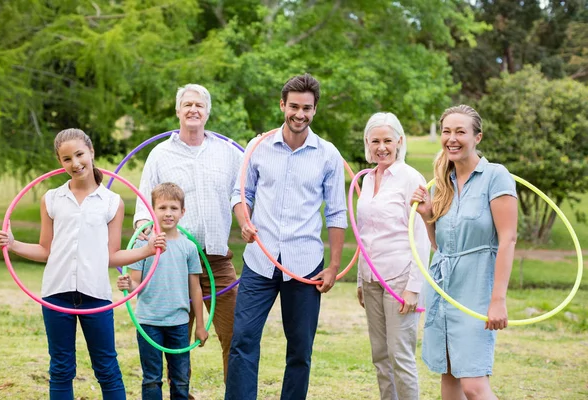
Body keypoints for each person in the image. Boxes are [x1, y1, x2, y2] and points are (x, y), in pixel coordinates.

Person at [0, 128, 166, 400]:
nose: (75, 163)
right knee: (61, 369)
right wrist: (12, 244)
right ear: (59, 162)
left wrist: (147, 250)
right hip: (56, 292)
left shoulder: (112, 202)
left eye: (79, 154)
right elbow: (45, 249)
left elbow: (111, 256)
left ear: (91, 152)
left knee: (107, 368)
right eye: (66, 159)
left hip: (95, 294)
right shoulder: (51, 199)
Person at [225, 73, 347, 400]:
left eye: (307, 108)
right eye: (293, 106)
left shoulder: (328, 155)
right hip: (259, 263)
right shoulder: (258, 147)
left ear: (315, 110)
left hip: (305, 266)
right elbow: (240, 193)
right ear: (282, 105)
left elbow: (337, 213)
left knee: (300, 351)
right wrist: (244, 220)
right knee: (243, 341)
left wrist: (334, 265)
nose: (299, 114)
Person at [133, 84, 242, 391]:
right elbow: (144, 202)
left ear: (207, 112)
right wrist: (145, 229)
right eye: (188, 104)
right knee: (175, 339)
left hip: (219, 260)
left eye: (199, 105)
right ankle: (181, 395)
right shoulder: (160, 154)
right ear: (178, 111)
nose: (194, 109)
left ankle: (234, 395)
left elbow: (245, 196)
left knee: (234, 336)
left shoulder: (228, 153)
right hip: (174, 261)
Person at [411, 105, 518, 399]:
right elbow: (440, 246)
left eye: (460, 132)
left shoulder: (496, 176)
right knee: (449, 375)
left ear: (477, 137)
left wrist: (498, 300)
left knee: (473, 384)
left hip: (477, 290)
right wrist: (426, 215)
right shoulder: (442, 184)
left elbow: (508, 239)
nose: (452, 138)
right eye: (447, 131)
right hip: (444, 291)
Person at [355, 112, 431, 400]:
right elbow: (365, 233)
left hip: (400, 280)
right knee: (380, 356)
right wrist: (361, 281)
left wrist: (414, 288)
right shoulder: (367, 178)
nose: (382, 147)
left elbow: (421, 236)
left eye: (388, 140)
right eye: (375, 141)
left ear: (400, 141)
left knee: (401, 358)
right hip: (372, 277)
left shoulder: (411, 178)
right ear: (367, 142)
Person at [118, 182, 208, 400]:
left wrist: (200, 325)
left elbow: (195, 288)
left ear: (182, 212)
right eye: (162, 208)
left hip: (178, 322)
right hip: (148, 322)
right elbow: (136, 282)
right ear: (152, 210)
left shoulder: (188, 247)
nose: (168, 213)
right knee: (151, 378)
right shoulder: (142, 247)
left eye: (174, 208)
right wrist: (127, 284)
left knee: (180, 379)